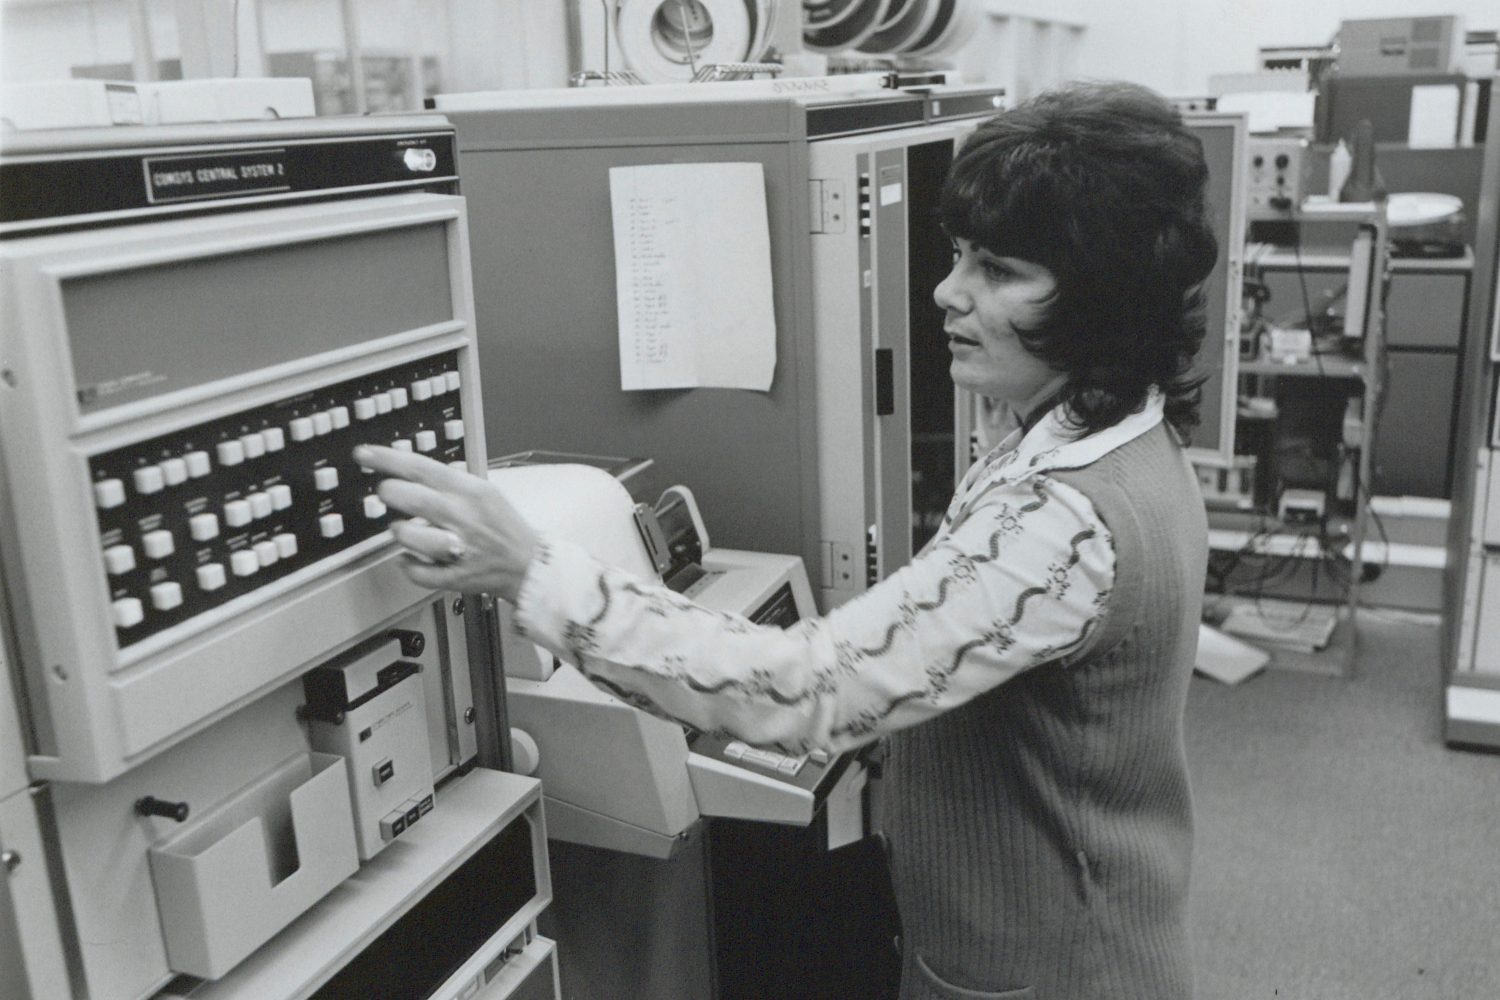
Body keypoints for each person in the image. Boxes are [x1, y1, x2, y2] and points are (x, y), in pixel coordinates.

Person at [355, 80, 1215, 1000]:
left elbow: (801, 689)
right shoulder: (1102, 438)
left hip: (1052, 972)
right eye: (958, 254)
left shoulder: (1065, 518)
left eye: (998, 271)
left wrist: (530, 570)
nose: (945, 292)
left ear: (1105, 298)